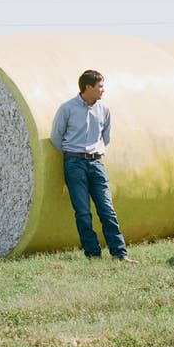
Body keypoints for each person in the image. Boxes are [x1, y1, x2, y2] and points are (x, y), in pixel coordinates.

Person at [50, 69, 136, 262]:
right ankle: (93, 254)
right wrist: (73, 154)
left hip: (97, 163)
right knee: (83, 212)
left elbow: (106, 137)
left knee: (107, 209)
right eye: (100, 86)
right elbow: (56, 137)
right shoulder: (67, 109)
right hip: (74, 164)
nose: (103, 90)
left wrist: (93, 152)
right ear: (88, 87)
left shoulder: (104, 109)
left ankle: (120, 254)